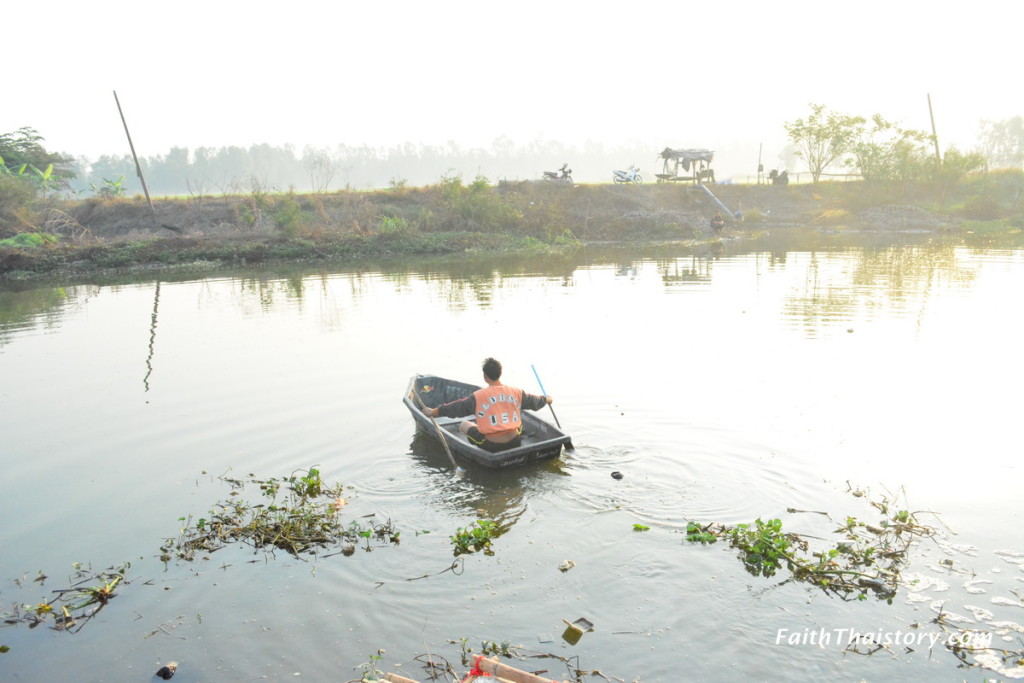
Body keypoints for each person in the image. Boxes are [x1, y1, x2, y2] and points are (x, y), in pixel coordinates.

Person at [424, 358, 553, 453]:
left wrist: (433, 412)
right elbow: (535, 401)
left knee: (464, 424)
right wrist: (546, 399)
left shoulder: (478, 396)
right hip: (515, 442)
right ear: (500, 373)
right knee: (517, 423)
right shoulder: (517, 392)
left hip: (492, 445)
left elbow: (455, 408)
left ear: (485, 376)